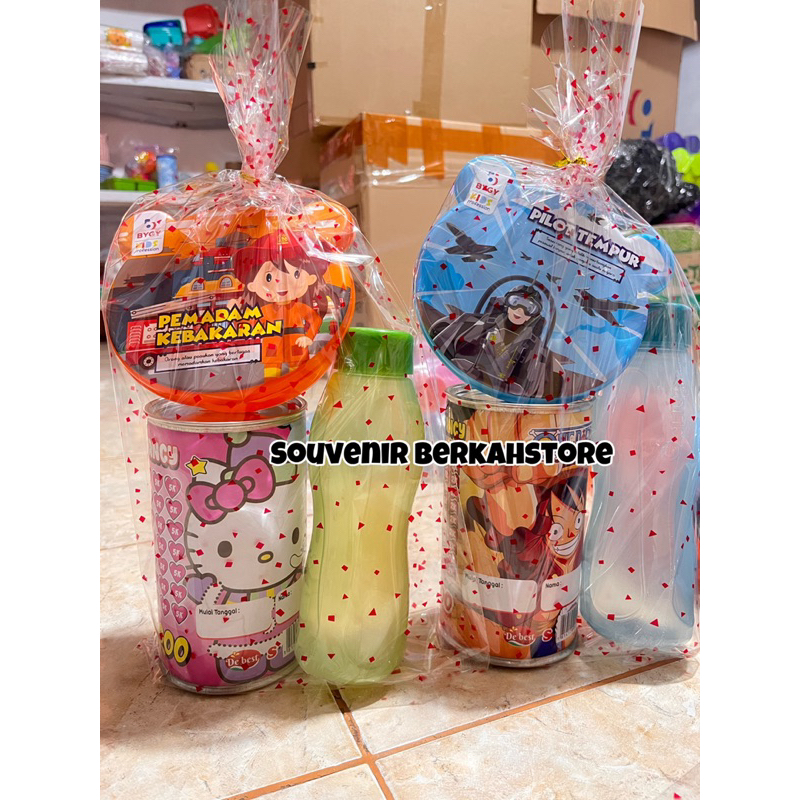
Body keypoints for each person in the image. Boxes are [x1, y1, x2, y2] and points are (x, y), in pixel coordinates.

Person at [234, 230, 327, 378]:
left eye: (295, 274)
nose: (281, 283)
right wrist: (234, 313)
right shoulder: (264, 310)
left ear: (310, 278)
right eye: (268, 278)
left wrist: (309, 337)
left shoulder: (300, 307)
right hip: (272, 346)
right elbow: (246, 326)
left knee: (298, 375)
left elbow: (315, 320)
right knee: (272, 377)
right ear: (252, 285)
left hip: (296, 343)